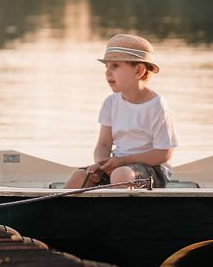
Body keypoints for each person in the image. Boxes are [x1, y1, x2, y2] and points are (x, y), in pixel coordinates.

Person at [63, 34, 177, 189]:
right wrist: (101, 163)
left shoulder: (157, 106)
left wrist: (123, 161)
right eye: (106, 67)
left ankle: (119, 211)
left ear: (139, 71)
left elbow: (163, 154)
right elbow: (103, 144)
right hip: (118, 165)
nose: (107, 72)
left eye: (115, 66)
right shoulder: (111, 103)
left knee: (121, 175)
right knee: (81, 175)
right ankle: (59, 211)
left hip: (153, 170)